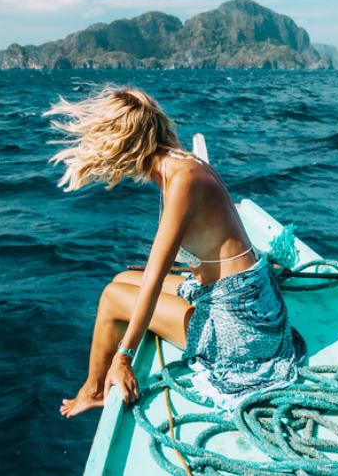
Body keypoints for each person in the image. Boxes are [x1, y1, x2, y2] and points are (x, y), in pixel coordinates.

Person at [48, 87, 305, 418]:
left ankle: (94, 390)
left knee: (113, 296)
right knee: (123, 278)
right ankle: (97, 382)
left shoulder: (182, 180)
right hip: (251, 298)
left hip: (243, 329)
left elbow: (154, 277)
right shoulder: (183, 162)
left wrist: (123, 358)